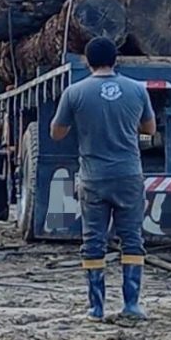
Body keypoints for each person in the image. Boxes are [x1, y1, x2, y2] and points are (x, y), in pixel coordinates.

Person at [51, 37, 156, 321]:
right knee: (132, 239)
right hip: (129, 175)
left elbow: (56, 133)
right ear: (116, 59)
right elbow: (149, 128)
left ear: (86, 61)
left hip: (93, 178)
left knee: (93, 241)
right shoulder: (137, 90)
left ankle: (96, 307)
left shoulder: (75, 93)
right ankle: (131, 304)